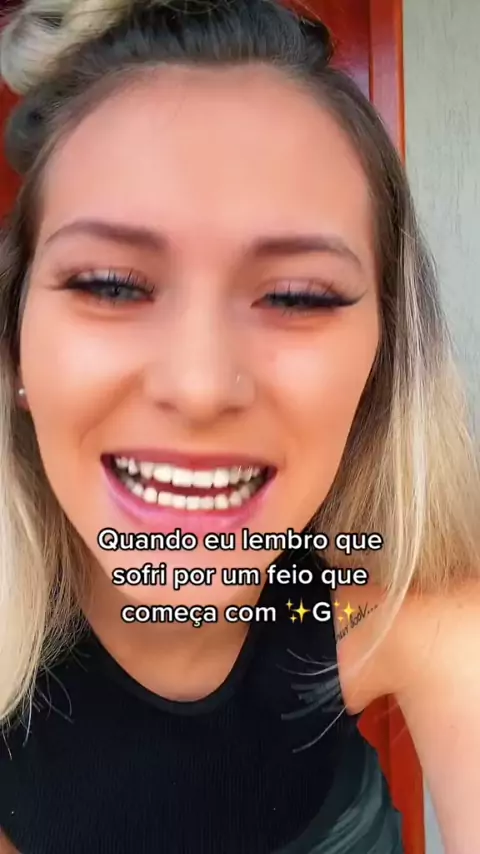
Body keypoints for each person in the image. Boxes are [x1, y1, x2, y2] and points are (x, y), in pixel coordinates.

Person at [0, 0, 479, 852]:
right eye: (110, 284)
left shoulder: (393, 609)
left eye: (296, 296)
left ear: (382, 364)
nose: (199, 387)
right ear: (15, 346)